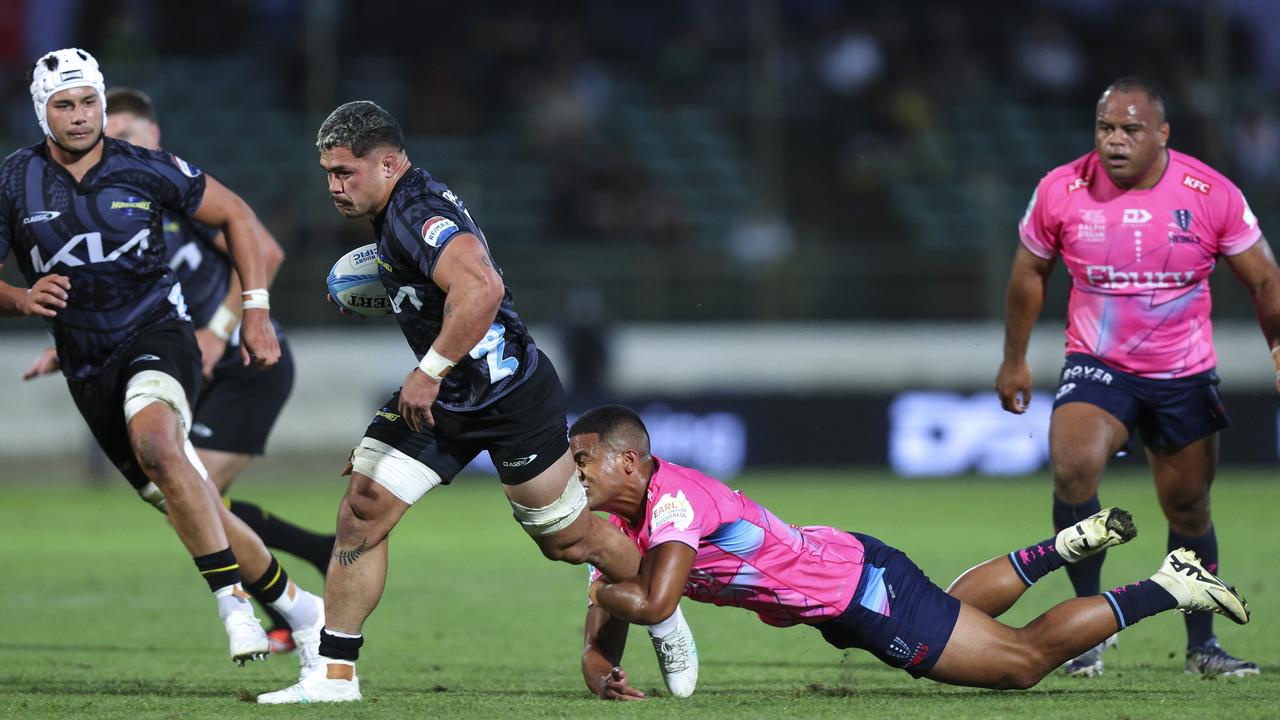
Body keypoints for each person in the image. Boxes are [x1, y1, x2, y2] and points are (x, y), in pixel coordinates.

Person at [258, 100, 689, 704]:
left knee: (569, 541)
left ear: (387, 164)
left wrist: (429, 370)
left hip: (510, 395)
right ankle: (334, 677)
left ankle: (661, 610)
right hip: (443, 402)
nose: (333, 185)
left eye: (344, 172)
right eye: (327, 173)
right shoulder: (393, 211)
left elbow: (483, 288)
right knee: (363, 505)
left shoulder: (417, 212)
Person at [0, 48, 324, 674]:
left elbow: (236, 214)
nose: (80, 116)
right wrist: (19, 298)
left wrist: (251, 313)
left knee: (158, 444)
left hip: (159, 332)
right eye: (64, 105)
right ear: (43, 112)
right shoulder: (15, 183)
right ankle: (301, 609)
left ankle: (233, 605)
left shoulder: (144, 169)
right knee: (190, 495)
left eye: (89, 101)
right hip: (89, 365)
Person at [569, 405, 1250, 699]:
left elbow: (654, 602)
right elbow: (608, 636)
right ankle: (1063, 547)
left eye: (583, 460)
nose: (574, 474)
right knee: (952, 614)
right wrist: (603, 673)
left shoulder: (676, 504)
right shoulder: (624, 527)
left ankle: (1170, 584)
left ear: (630, 462)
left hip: (862, 591)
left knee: (1019, 663)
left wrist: (597, 585)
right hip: (843, 582)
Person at [996, 76, 1279, 678]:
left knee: (1188, 507)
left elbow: (1263, 279)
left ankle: (1201, 645)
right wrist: (1015, 358)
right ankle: (1086, 631)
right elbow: (1029, 271)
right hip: (1099, 367)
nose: (1115, 141)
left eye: (1131, 129)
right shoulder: (1061, 189)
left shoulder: (1209, 193)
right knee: (1073, 467)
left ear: (1162, 134)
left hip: (1184, 374)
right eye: (1106, 128)